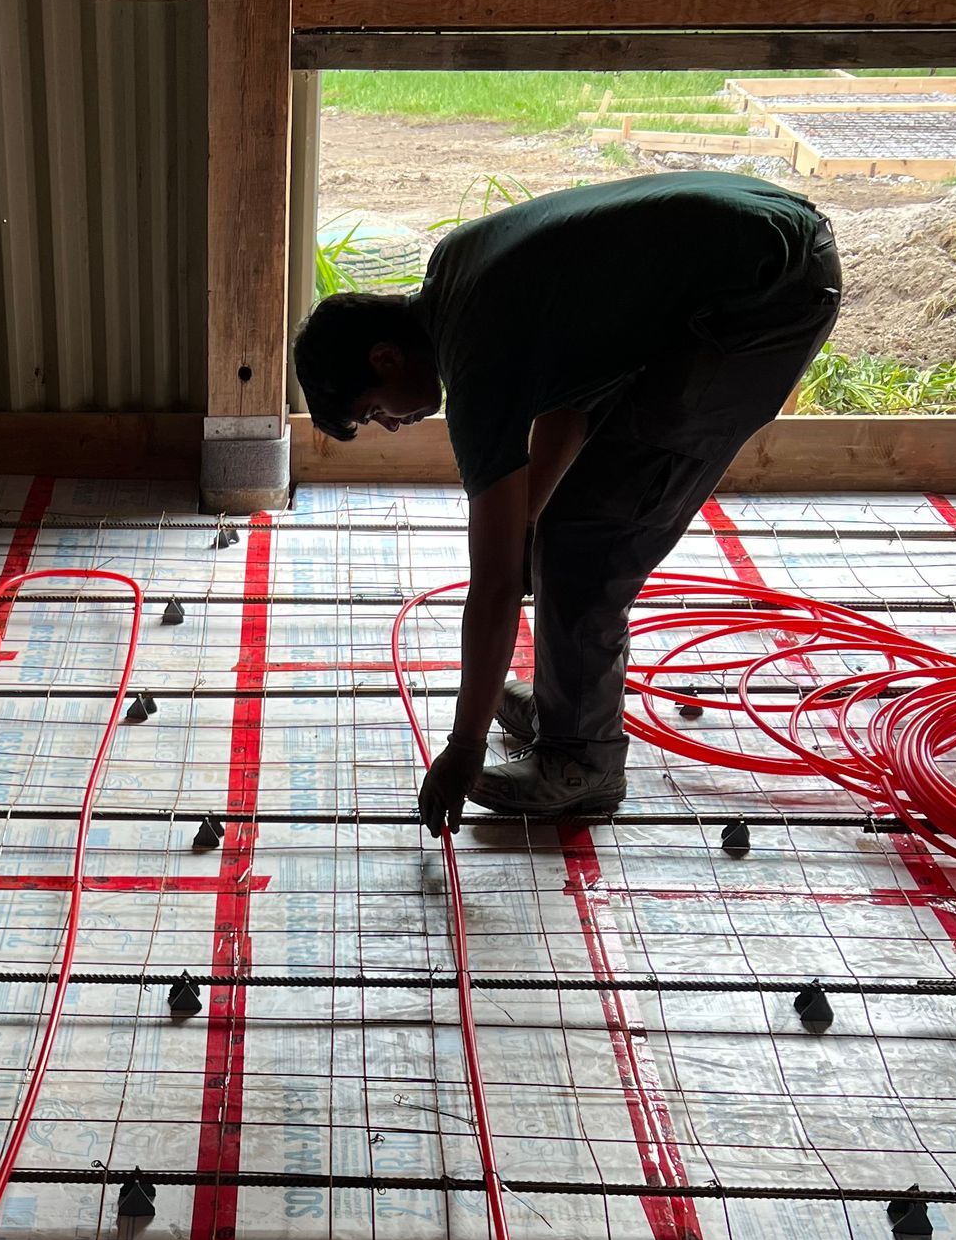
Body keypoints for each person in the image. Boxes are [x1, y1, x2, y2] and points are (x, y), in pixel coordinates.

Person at [293, 172, 842, 827]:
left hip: (768, 293)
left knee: (590, 539)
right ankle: (565, 706)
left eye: (375, 411)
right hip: (758, 245)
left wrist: (463, 749)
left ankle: (582, 760)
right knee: (562, 527)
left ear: (385, 359)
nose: (391, 424)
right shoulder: (454, 281)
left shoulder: (476, 364)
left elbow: (494, 589)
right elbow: (570, 397)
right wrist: (526, 523)